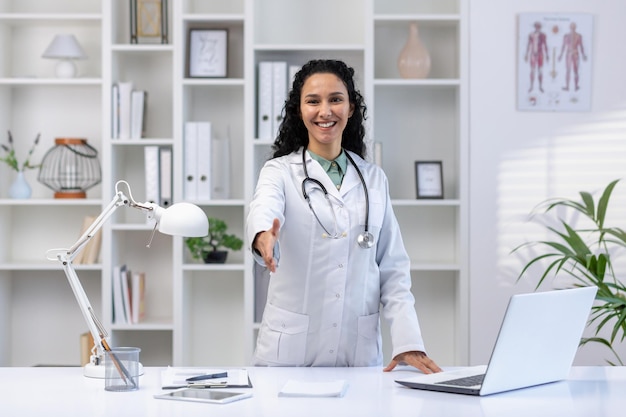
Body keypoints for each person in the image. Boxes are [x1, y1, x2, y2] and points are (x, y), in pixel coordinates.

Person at [246, 59, 441, 374]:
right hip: (289, 354)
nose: (325, 111)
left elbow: (393, 269)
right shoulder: (279, 172)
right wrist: (263, 238)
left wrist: (409, 342)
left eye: (336, 99)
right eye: (313, 101)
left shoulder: (373, 179)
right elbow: (264, 208)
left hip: (357, 351)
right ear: (299, 110)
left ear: (351, 108)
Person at [558, 21, 587, 91]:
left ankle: (576, 86)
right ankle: (567, 86)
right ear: (570, 28)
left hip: (575, 53)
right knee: (568, 70)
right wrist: (561, 55)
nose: (572, 28)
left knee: (575, 70)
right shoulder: (566, 36)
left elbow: (581, 46)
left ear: (575, 28)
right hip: (569, 53)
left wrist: (583, 55)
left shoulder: (579, 36)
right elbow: (563, 46)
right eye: (571, 27)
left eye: (573, 27)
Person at [524, 21, 549, 93]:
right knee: (532, 71)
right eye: (536, 26)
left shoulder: (543, 35)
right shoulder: (531, 35)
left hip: (540, 54)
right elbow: (528, 45)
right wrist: (526, 54)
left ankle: (540, 86)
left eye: (539, 27)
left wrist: (547, 55)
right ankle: (531, 86)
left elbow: (545, 45)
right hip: (533, 54)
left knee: (540, 71)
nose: (537, 28)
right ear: (535, 27)